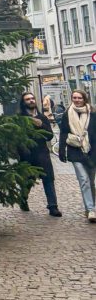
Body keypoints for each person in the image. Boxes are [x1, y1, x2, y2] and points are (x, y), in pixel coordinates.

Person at [18, 93, 61, 216]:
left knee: (48, 180)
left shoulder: (42, 117)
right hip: (27, 155)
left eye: (32, 98)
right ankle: (23, 199)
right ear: (23, 102)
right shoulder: (20, 118)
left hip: (42, 154)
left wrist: (41, 125)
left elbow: (49, 136)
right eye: (28, 99)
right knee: (28, 181)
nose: (31, 101)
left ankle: (53, 206)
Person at [58, 89, 96, 223]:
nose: (77, 100)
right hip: (75, 150)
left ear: (84, 99)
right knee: (83, 179)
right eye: (74, 98)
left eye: (79, 98)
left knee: (91, 181)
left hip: (91, 151)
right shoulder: (67, 114)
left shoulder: (93, 113)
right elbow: (63, 132)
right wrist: (62, 150)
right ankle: (91, 209)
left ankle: (91, 207)